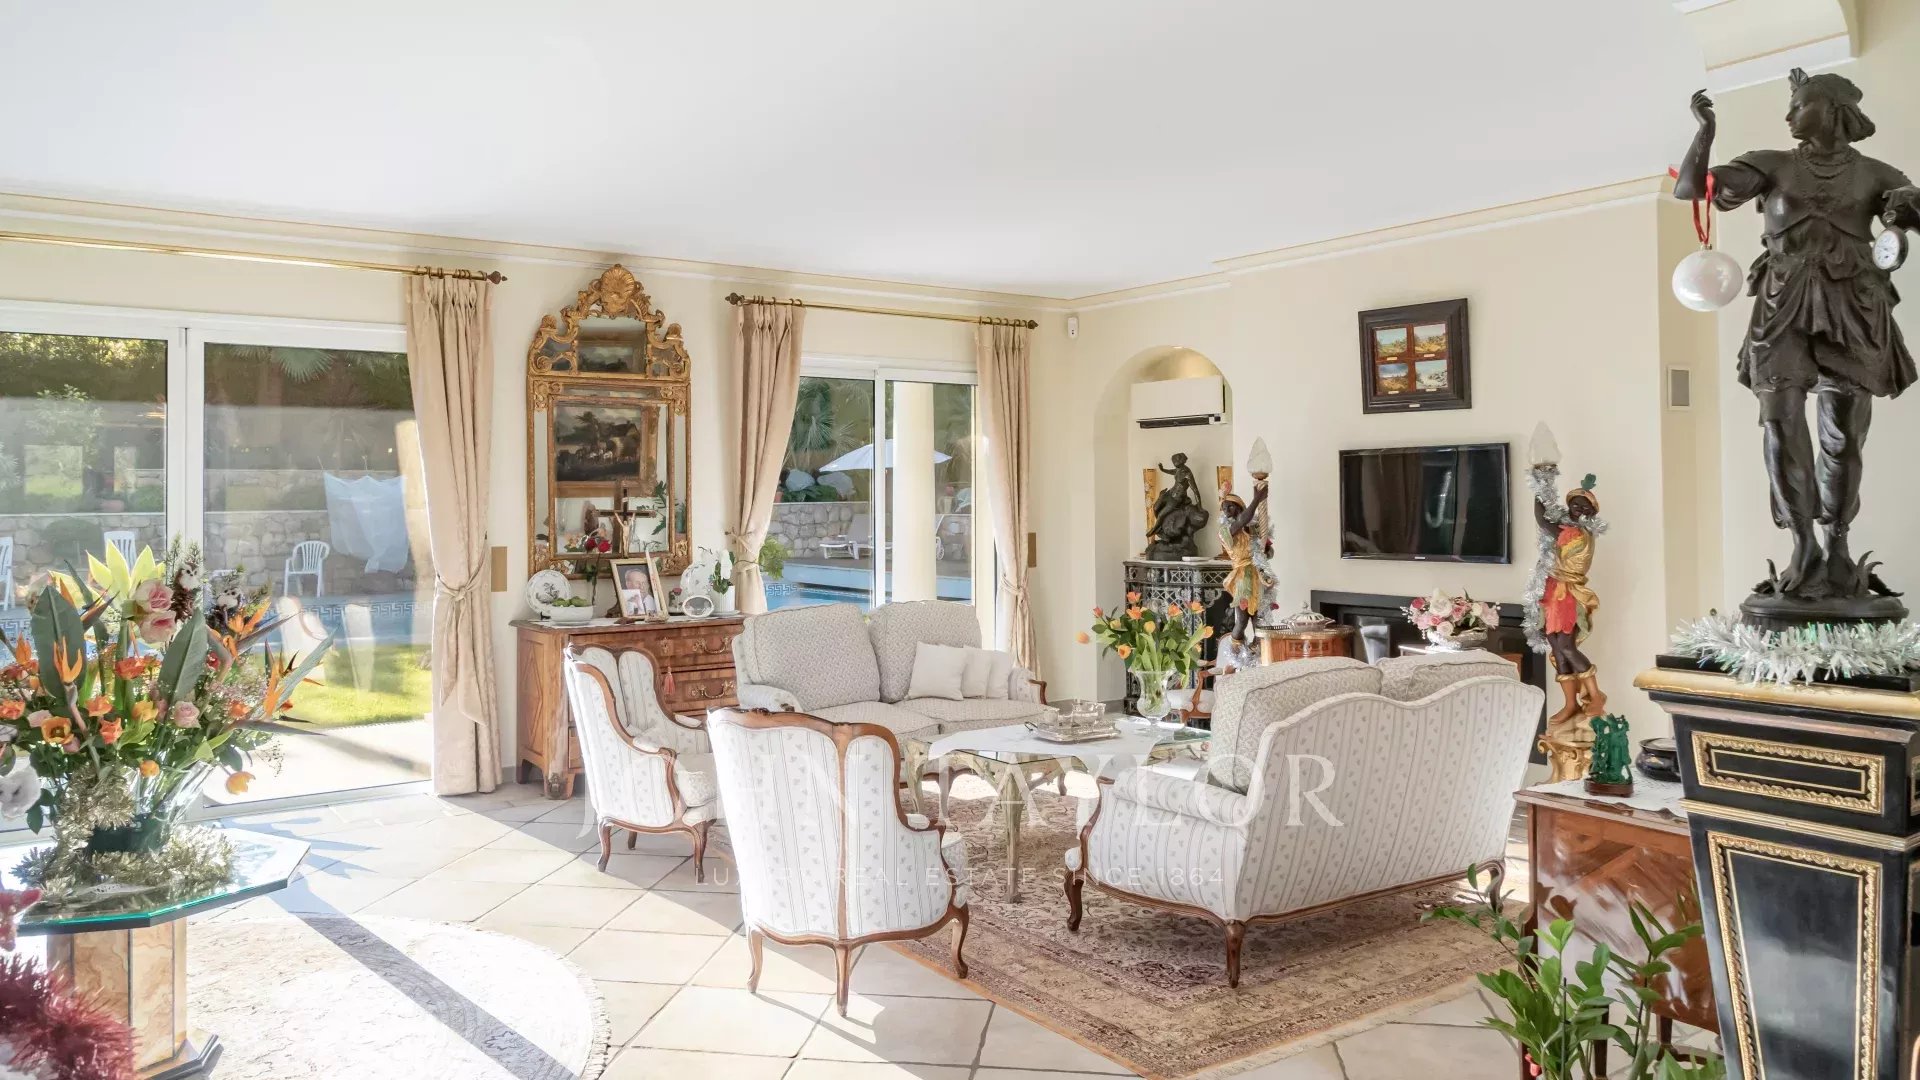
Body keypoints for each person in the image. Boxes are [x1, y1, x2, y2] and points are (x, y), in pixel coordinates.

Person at [1675, 70, 1920, 604]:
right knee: (1779, 418)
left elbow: (1913, 215)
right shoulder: (1771, 164)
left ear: (1832, 110)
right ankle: (1802, 542)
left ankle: (1838, 543)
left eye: (1801, 104)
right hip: (1781, 302)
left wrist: (1907, 207)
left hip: (1854, 304)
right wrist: (1705, 133)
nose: (1790, 115)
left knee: (1844, 434)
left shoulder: (1877, 173)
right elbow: (1692, 189)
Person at [1535, 482, 1603, 726]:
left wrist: (1540, 486)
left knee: (1566, 645)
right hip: (1554, 590)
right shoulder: (1570, 529)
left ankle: (1595, 696)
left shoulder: (1576, 534)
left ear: (1591, 513)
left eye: (1585, 507)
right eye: (1575, 504)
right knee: (1556, 647)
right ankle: (1570, 704)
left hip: (1568, 593)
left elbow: (1543, 522)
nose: (1579, 509)